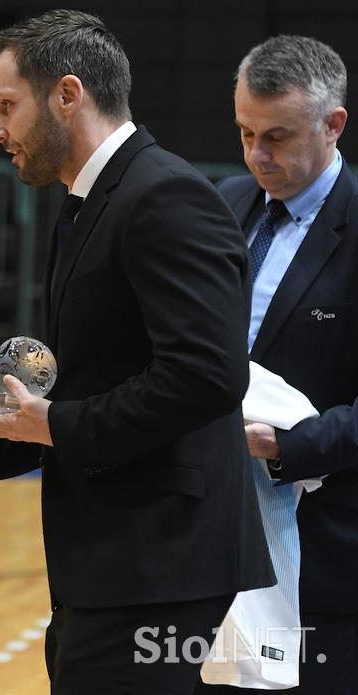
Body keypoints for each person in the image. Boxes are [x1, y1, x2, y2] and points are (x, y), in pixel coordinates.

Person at [0, 10, 276, 694]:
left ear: (68, 94)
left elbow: (207, 375)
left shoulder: (164, 194)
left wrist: (55, 426)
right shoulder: (87, 199)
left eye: (5, 107)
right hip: (115, 561)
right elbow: (86, 379)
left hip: (164, 562)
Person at [196, 35, 358, 694]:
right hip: (213, 540)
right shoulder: (225, 202)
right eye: (244, 132)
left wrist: (289, 445)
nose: (257, 155)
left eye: (278, 137)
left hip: (327, 551)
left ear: (333, 124)